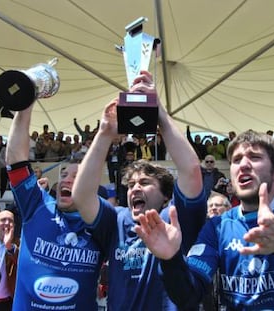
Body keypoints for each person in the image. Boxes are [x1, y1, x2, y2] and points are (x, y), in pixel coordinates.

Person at [135, 130, 274, 310]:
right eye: (236, 160)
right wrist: (171, 260)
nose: (243, 165)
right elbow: (190, 296)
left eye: (254, 157)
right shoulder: (217, 227)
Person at [72, 70, 207, 310]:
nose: (135, 188)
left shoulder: (174, 217)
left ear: (166, 195)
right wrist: (104, 134)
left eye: (145, 183)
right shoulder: (117, 219)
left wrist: (159, 113)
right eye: (131, 184)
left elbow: (191, 171)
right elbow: (81, 196)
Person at [5, 102, 105, 310]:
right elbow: (16, 162)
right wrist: (24, 103)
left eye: (76, 177)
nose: (66, 181)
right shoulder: (37, 204)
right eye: (64, 175)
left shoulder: (105, 221)